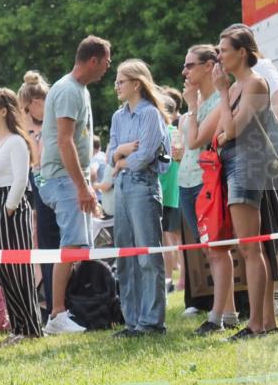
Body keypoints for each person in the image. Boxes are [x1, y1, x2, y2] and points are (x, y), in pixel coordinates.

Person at [39, 36, 112, 334]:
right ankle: (57, 313)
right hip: (63, 178)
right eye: (106, 62)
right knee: (70, 245)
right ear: (93, 60)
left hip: (73, 178)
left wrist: (88, 184)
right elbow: (64, 140)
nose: (108, 68)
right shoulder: (69, 90)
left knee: (80, 246)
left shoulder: (79, 90)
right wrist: (82, 186)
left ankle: (74, 307)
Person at [214, 26, 278, 337]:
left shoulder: (254, 83)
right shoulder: (240, 86)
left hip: (248, 165)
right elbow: (221, 132)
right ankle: (263, 322)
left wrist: (221, 91)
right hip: (236, 164)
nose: (219, 55)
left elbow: (233, 131)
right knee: (248, 248)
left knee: (251, 248)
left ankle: (257, 324)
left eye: (224, 49)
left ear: (242, 52)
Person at [107, 60, 170, 336]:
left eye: (121, 81)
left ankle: (151, 321)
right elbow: (112, 153)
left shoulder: (150, 114)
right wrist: (120, 151)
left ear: (136, 83)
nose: (116, 86)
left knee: (146, 255)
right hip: (121, 187)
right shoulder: (117, 117)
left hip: (143, 186)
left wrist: (122, 161)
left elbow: (145, 156)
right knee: (126, 256)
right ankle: (132, 320)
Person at [179, 44, 237, 333]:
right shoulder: (197, 101)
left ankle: (215, 317)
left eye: (190, 65)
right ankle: (229, 314)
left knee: (217, 249)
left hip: (207, 182)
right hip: (185, 182)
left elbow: (196, 141)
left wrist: (190, 108)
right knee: (207, 250)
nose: (184, 71)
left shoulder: (215, 102)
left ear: (207, 66)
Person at [0, 87, 44, 342]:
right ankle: (17, 327)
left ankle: (30, 328)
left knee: (19, 269)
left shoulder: (17, 142)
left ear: (3, 111)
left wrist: (8, 209)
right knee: (4, 270)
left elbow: (21, 179)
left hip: (12, 207)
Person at [19, 71, 59, 322]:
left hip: (54, 180)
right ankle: (50, 301)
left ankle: (62, 300)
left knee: (61, 242)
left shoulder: (53, 123)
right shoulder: (24, 130)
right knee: (43, 244)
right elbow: (32, 160)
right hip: (35, 186)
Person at [159, 87, 184, 294]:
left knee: (172, 237)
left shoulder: (169, 133)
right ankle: (177, 278)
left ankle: (176, 279)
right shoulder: (174, 132)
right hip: (171, 191)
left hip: (169, 192)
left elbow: (174, 159)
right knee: (174, 237)